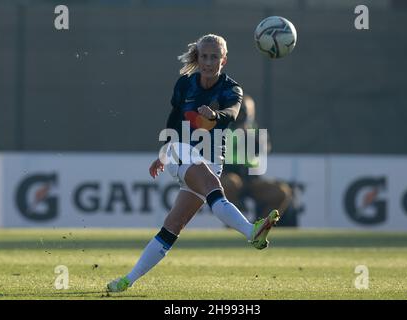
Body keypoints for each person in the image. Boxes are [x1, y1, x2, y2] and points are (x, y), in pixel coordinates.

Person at [107, 34, 280, 293]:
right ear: (197, 58)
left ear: (224, 60)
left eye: (214, 57)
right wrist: (164, 153)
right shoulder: (185, 84)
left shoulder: (232, 89)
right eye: (204, 57)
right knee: (214, 190)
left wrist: (215, 114)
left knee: (172, 228)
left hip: (211, 159)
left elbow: (231, 114)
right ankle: (250, 232)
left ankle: (127, 280)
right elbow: (174, 120)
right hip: (181, 151)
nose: (209, 62)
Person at [220, 94, 293, 223]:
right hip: (230, 175)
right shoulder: (223, 128)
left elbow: (264, 149)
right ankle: (233, 226)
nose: (240, 115)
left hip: (251, 179)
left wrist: (248, 134)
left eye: (243, 112)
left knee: (281, 193)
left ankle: (258, 228)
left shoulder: (255, 129)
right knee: (230, 183)